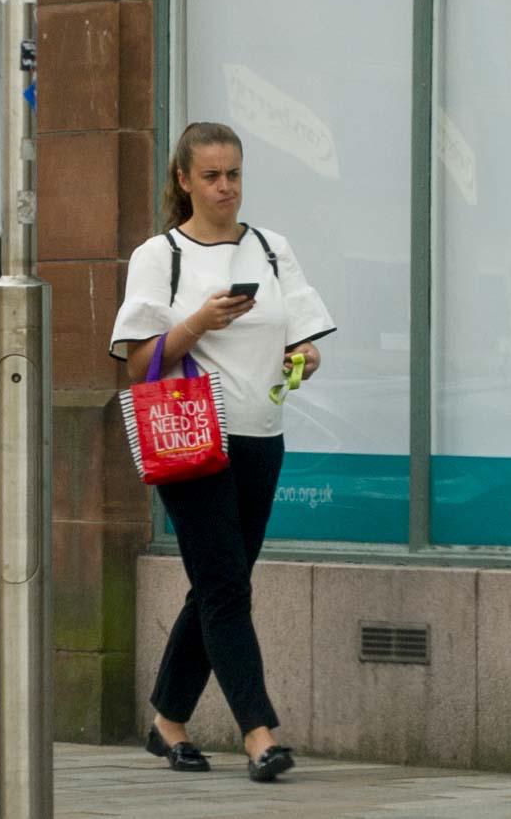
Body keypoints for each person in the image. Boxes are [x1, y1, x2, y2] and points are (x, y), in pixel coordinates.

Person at [109, 122, 336, 782]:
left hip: (262, 434)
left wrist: (304, 357)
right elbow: (138, 364)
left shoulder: (271, 248)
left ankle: (168, 721)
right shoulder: (160, 255)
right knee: (225, 586)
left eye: (233, 174)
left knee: (217, 583)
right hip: (191, 439)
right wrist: (196, 324)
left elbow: (304, 344)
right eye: (210, 175)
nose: (224, 188)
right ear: (183, 180)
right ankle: (259, 734)